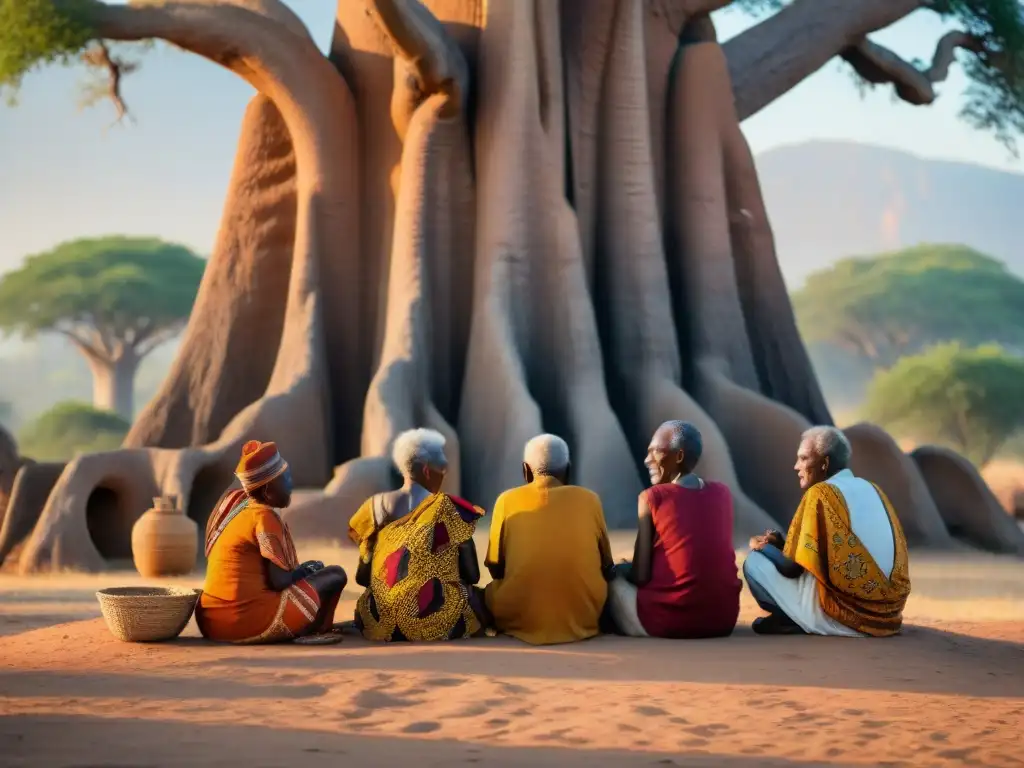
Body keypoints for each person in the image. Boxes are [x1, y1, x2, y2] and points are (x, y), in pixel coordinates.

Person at [742, 426, 911, 637]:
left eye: (803, 459)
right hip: (888, 616)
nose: (796, 467)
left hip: (845, 616)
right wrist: (782, 544)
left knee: (754, 563)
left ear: (825, 463)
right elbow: (834, 553)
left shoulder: (820, 494)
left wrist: (762, 547)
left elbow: (791, 569)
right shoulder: (874, 489)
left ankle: (792, 619)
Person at [196, 440, 348, 644]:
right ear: (267, 491)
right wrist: (304, 571)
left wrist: (305, 570)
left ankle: (315, 625)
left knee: (317, 571)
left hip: (210, 620)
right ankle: (316, 629)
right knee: (336, 574)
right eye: (285, 480)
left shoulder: (237, 509)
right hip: (241, 620)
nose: (291, 485)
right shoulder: (264, 516)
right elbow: (279, 582)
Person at [348, 428, 487, 642]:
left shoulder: (372, 508)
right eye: (442, 468)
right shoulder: (448, 508)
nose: (445, 474)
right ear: (427, 470)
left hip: (378, 621)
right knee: (478, 599)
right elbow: (473, 575)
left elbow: (361, 577)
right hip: (436, 619)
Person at [606, 421, 741, 638]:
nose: (647, 460)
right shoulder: (722, 493)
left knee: (613, 580)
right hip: (724, 620)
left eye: (655, 452)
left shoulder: (653, 497)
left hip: (671, 623)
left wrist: (621, 571)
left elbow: (640, 575)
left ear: (678, 457)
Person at [485, 434, 615, 645]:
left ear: (525, 470)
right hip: (584, 617)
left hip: (519, 618)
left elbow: (495, 567)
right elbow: (607, 565)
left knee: (479, 595)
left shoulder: (506, 501)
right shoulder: (590, 500)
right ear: (569, 470)